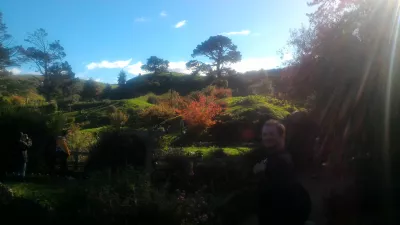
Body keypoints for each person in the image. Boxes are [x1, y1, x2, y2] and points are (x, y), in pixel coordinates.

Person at [253, 120, 311, 225]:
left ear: (281, 136)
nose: (267, 138)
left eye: (271, 134)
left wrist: (261, 172)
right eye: (264, 134)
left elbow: (276, 194)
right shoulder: (277, 156)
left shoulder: (281, 161)